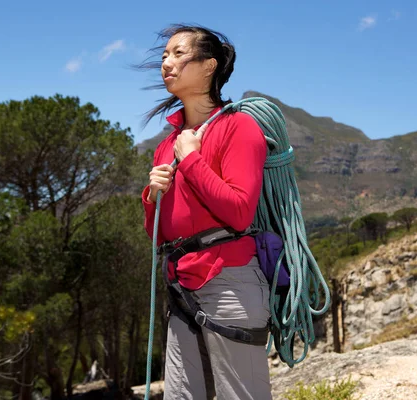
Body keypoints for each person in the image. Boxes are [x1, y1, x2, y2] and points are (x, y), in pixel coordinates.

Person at [140, 24, 273, 400]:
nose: (167, 63)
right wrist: (152, 196)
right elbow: (158, 234)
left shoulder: (238, 127)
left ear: (210, 66)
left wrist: (192, 160)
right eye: (165, 56)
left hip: (229, 281)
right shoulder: (166, 145)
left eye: (178, 54)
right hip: (182, 288)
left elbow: (240, 212)